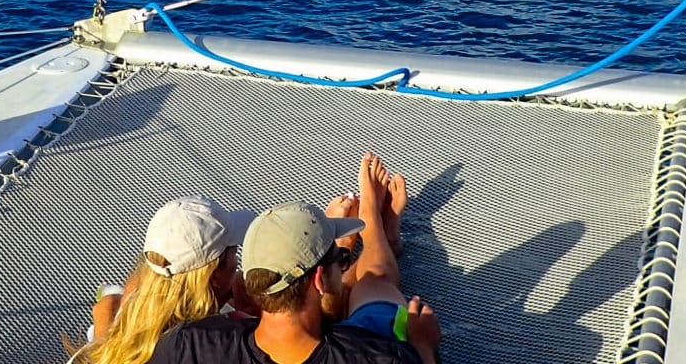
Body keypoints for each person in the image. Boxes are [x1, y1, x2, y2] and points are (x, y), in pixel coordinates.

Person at [147, 153, 441, 364]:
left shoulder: (188, 343)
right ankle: (374, 224)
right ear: (319, 279)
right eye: (340, 258)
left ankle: (377, 232)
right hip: (348, 330)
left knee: (367, 282)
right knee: (375, 281)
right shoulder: (382, 356)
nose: (341, 265)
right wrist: (423, 347)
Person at [72, 194, 252, 364]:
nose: (237, 265)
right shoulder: (214, 342)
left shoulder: (139, 306)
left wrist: (103, 328)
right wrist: (251, 312)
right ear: (215, 274)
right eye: (234, 255)